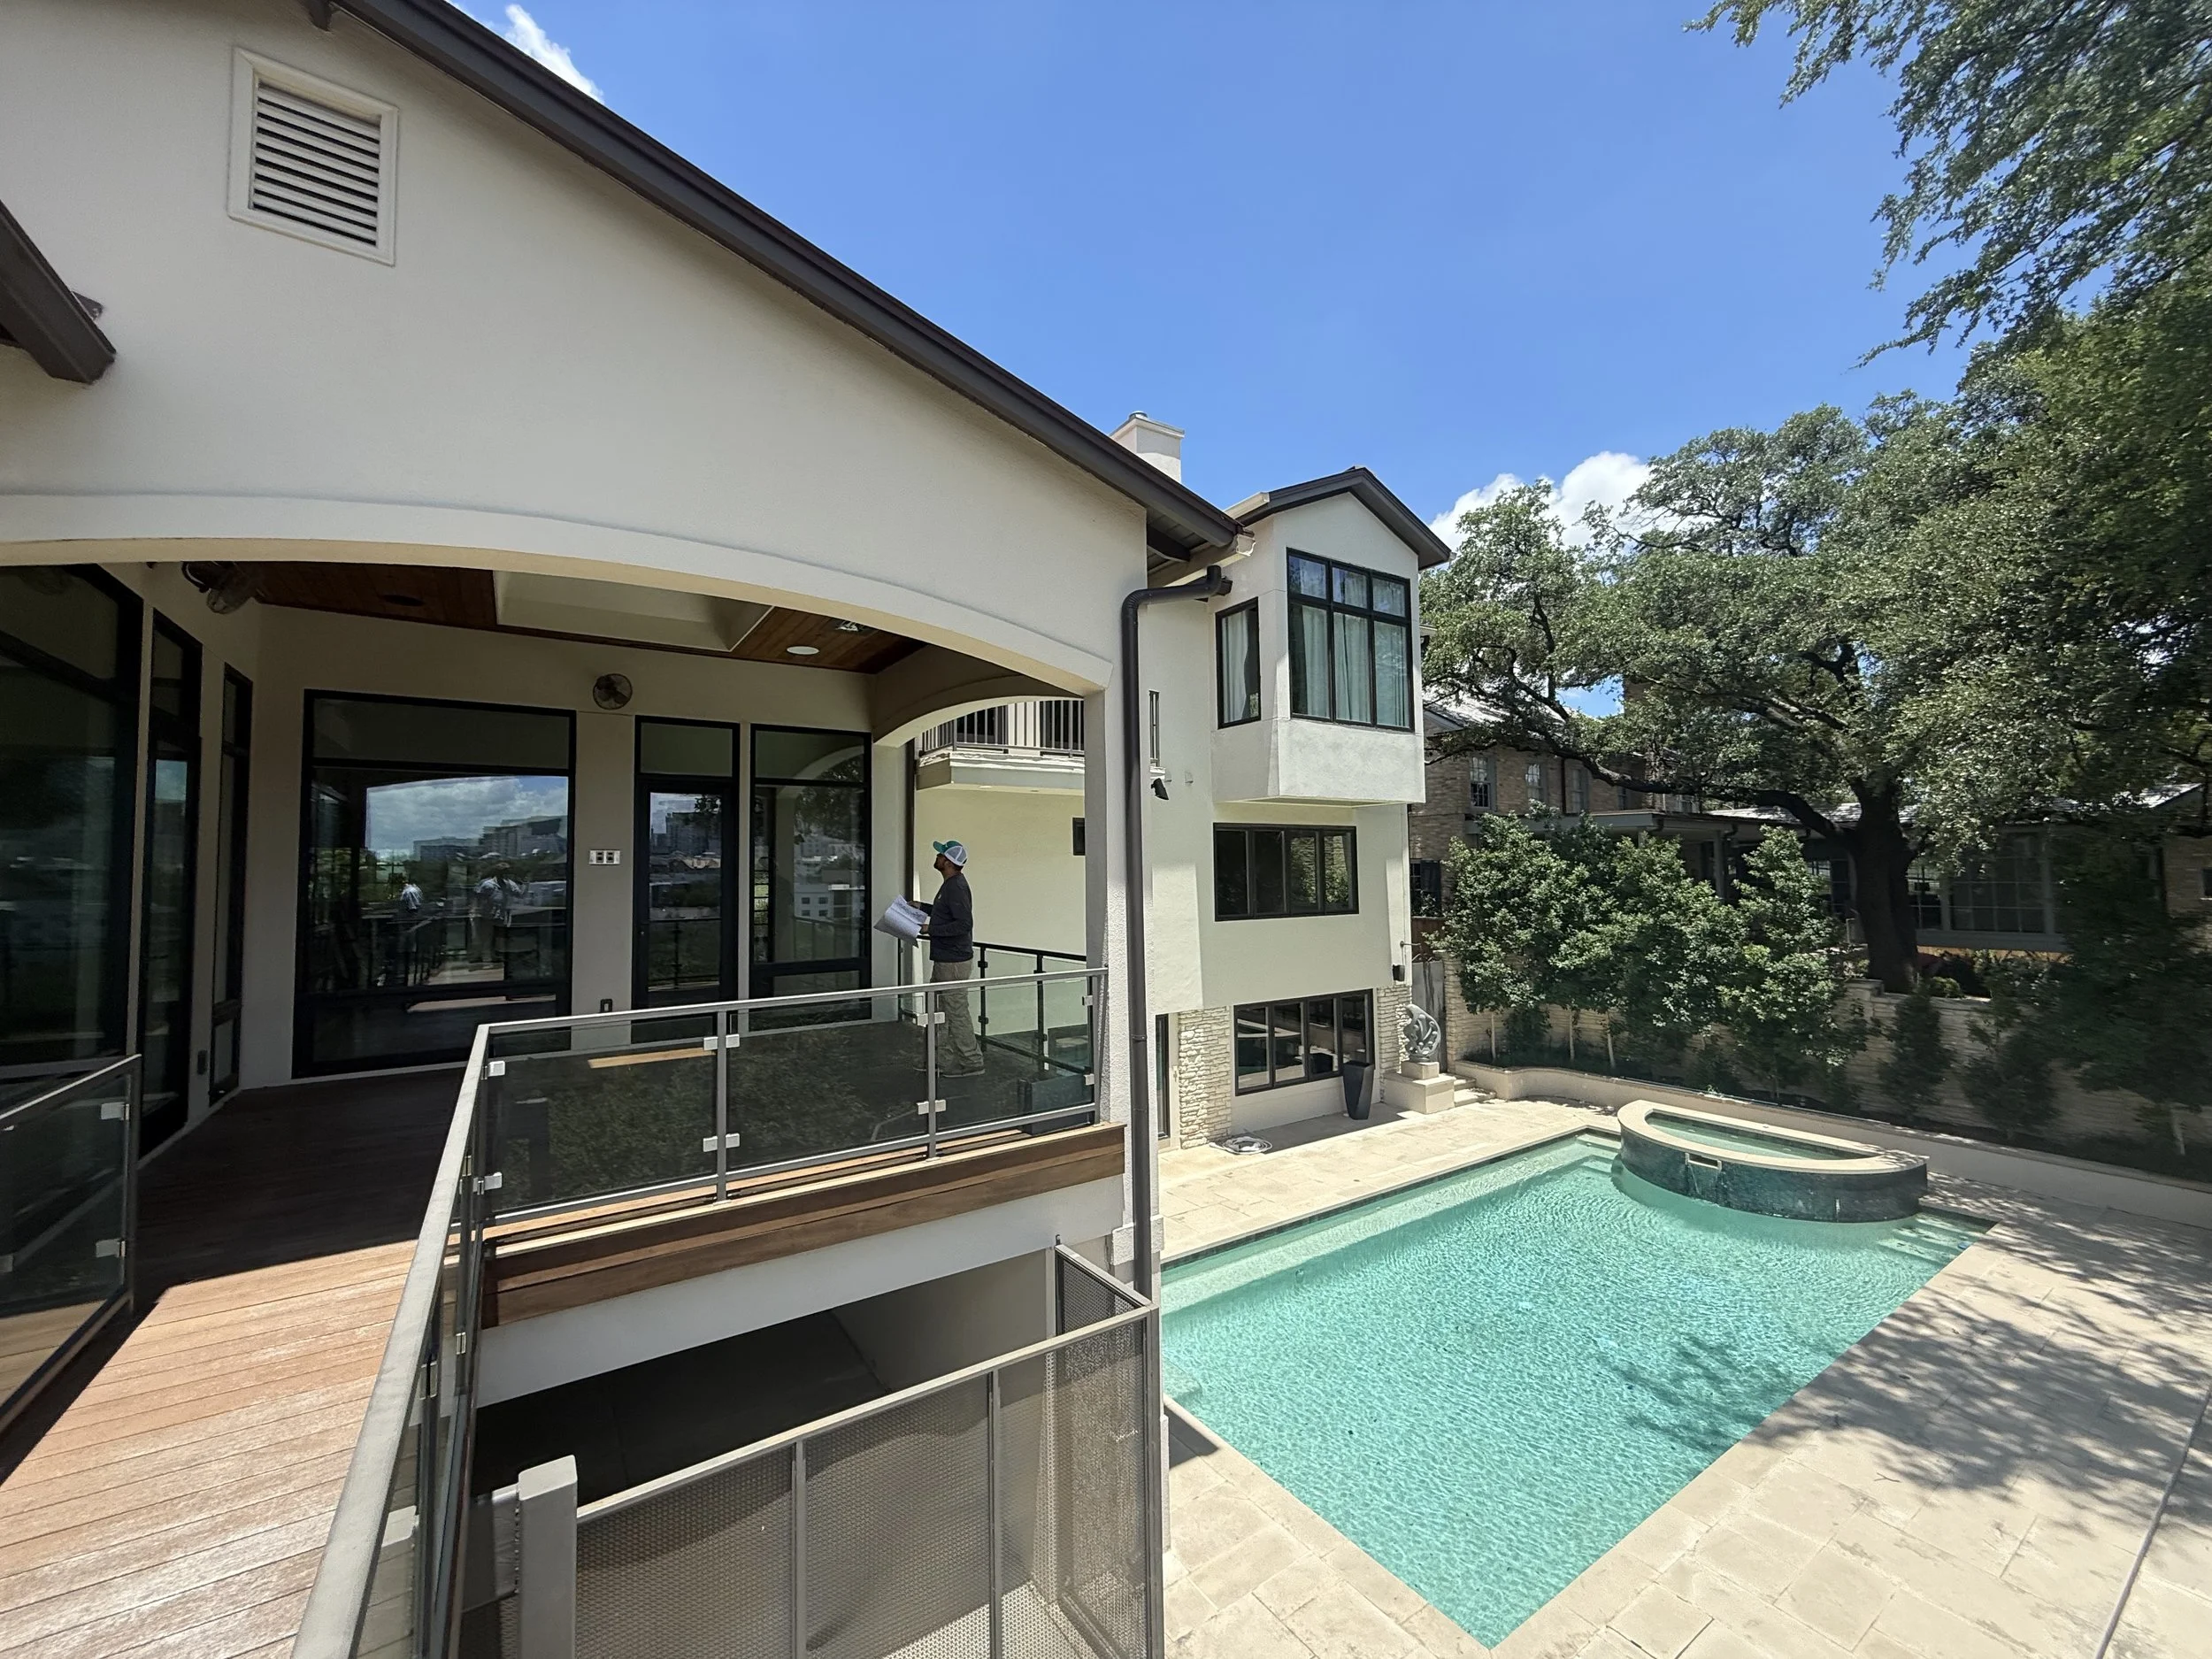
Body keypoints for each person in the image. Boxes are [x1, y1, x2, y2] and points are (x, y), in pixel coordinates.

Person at [918, 839, 985, 1077]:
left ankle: (971, 1061)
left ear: (948, 862)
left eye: (940, 855)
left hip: (953, 962)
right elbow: (945, 912)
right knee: (939, 1010)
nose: (936, 858)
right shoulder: (950, 885)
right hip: (946, 959)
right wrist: (921, 907)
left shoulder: (955, 887)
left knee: (955, 1012)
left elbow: (964, 924)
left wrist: (930, 929)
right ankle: (940, 1060)